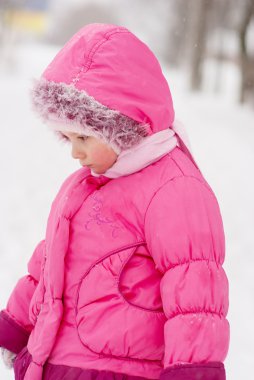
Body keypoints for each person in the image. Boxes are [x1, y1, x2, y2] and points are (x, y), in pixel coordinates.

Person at [0, 23, 230, 380]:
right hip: (58, 363)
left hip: (121, 370)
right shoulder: (82, 187)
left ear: (124, 126)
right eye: (66, 137)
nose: (75, 152)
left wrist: (192, 370)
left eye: (84, 137)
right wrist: (14, 324)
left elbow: (195, 293)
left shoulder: (175, 189)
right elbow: (49, 267)